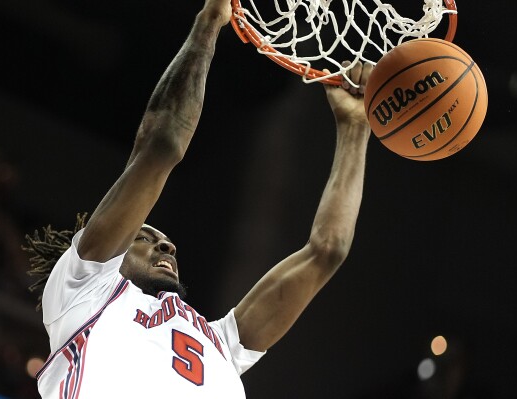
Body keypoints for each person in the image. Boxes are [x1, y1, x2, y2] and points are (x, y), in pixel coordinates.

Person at [24, 0, 373, 397]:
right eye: (144, 237)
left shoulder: (220, 343)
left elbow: (326, 251)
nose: (167, 244)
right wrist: (210, 21)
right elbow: (161, 146)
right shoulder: (82, 289)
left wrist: (354, 128)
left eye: (159, 239)